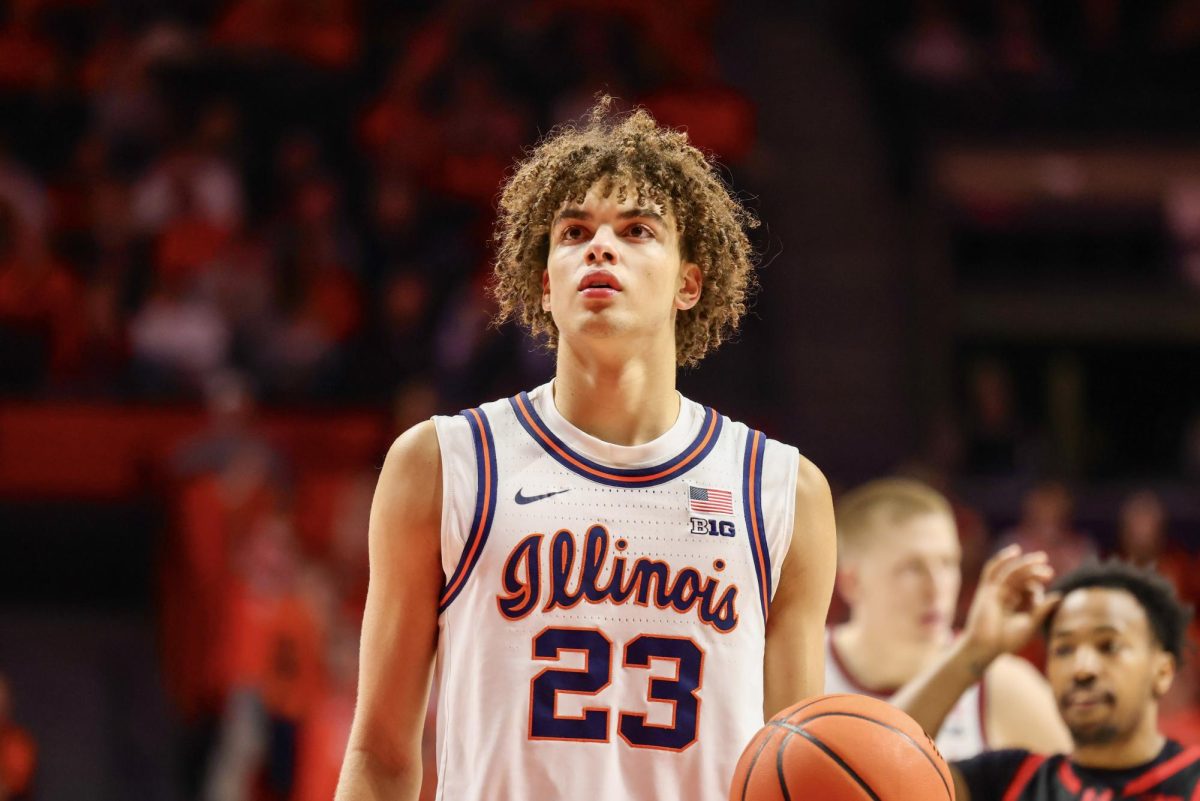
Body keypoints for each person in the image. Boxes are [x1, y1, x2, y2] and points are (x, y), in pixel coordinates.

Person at [334, 101, 837, 801]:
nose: (600, 248)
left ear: (689, 282)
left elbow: (793, 775)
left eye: (637, 231)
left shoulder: (779, 489)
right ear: (546, 280)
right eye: (574, 233)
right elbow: (382, 756)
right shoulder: (447, 463)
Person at [893, 549, 1199, 801]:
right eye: (1064, 649)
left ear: (1163, 671)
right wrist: (974, 649)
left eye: (1109, 646)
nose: (1082, 669)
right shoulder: (1008, 780)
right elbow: (882, 769)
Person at [829, 478, 1070, 759]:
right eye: (912, 568)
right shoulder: (803, 668)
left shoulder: (1002, 686)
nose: (936, 588)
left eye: (947, 563)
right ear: (851, 582)